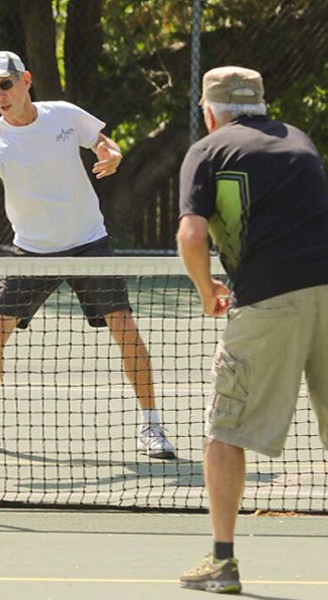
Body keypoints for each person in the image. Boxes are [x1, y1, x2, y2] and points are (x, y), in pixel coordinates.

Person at [0, 50, 176, 459]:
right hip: (31, 249)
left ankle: (152, 426)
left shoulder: (64, 115)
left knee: (123, 325)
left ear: (26, 80)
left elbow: (99, 140)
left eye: (6, 84)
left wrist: (112, 152)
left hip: (89, 241)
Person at [177, 65, 328, 594]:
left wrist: (206, 291)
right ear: (261, 104)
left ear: (210, 110)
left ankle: (222, 562)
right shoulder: (301, 142)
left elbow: (191, 234)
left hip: (267, 303)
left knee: (225, 434)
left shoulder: (209, 149)